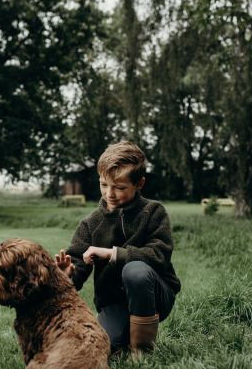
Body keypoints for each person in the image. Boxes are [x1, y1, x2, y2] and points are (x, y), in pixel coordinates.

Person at [55, 141, 181, 357]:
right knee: (95, 348)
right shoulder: (90, 223)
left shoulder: (154, 212)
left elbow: (159, 254)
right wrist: (67, 276)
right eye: (104, 184)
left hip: (157, 297)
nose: (109, 194)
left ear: (139, 183)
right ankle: (121, 340)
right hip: (114, 304)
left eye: (120, 187)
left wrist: (113, 253)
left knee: (134, 270)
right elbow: (77, 262)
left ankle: (142, 353)